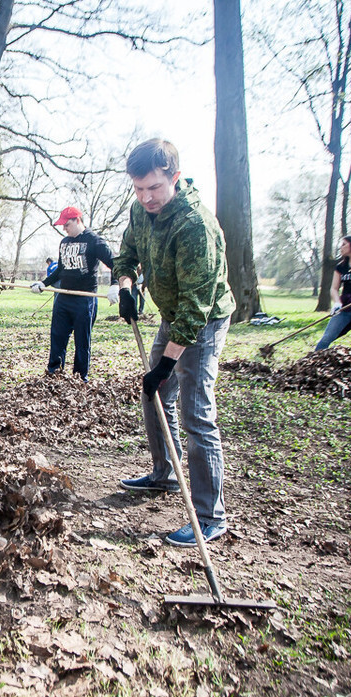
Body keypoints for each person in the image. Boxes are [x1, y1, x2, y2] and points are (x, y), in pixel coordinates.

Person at [114, 138, 234, 548]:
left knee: (195, 413)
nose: (146, 197)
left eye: (155, 188)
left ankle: (209, 515)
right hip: (172, 313)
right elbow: (126, 253)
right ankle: (164, 474)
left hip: (203, 319)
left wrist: (166, 364)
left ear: (175, 178)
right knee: (153, 396)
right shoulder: (140, 210)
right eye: (139, 188)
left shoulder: (195, 225)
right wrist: (127, 286)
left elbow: (196, 308)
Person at [30, 206, 115, 381]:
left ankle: (79, 378)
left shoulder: (95, 241)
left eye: (67, 224)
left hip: (85, 299)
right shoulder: (65, 242)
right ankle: (54, 373)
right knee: (58, 337)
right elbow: (61, 269)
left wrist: (115, 285)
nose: (64, 228)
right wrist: (43, 283)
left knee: (82, 342)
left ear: (77, 220)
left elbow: (115, 263)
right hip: (63, 297)